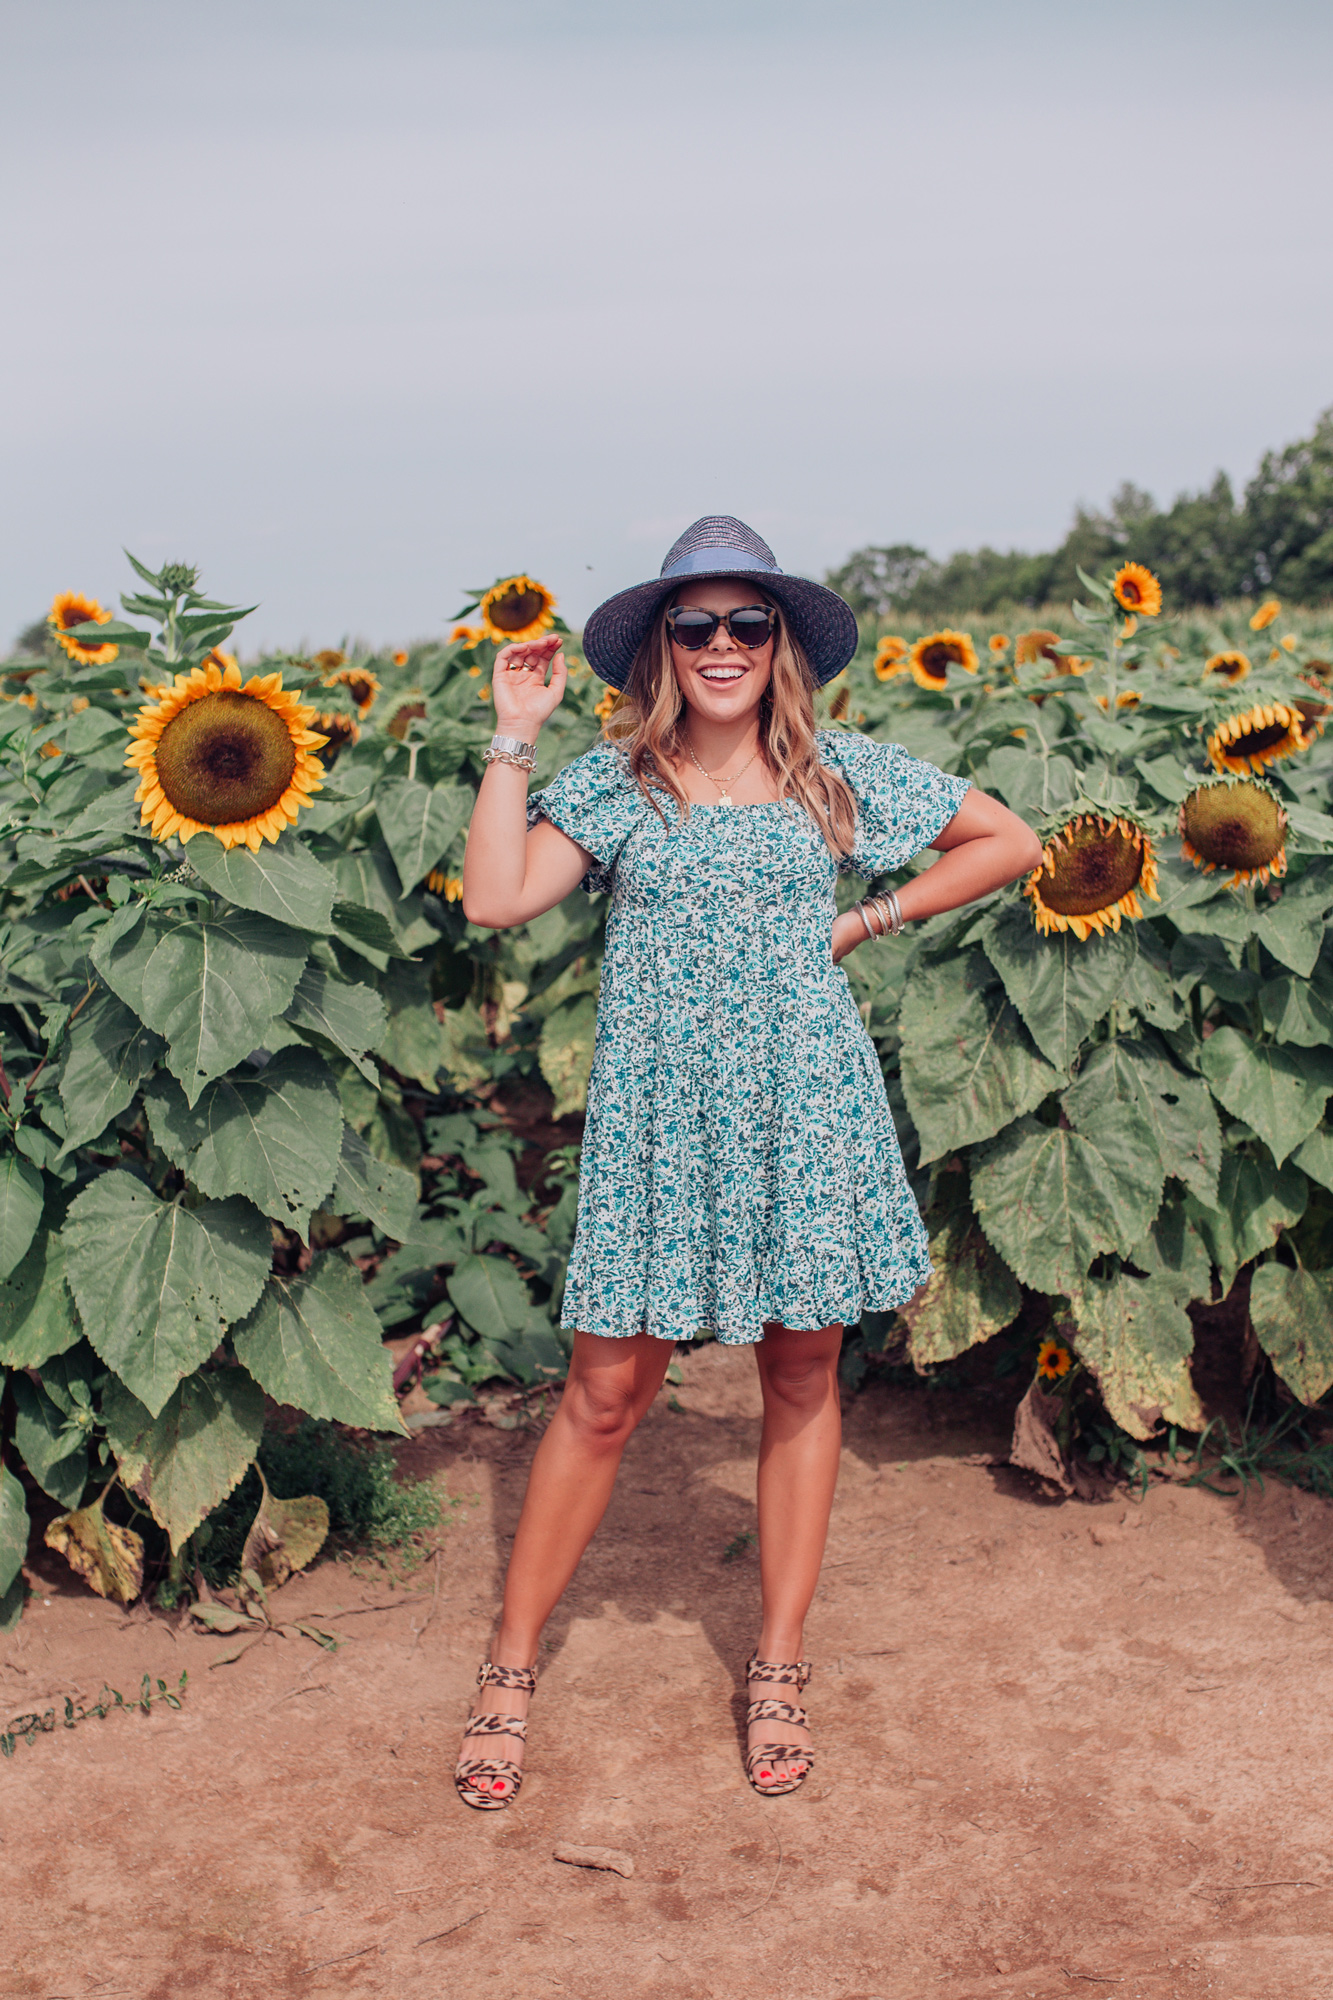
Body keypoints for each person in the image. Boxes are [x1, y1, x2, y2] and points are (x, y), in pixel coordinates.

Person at [455, 516, 1042, 1810]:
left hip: (803, 1115)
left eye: (746, 624)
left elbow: (1006, 841)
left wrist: (868, 916)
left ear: (778, 646)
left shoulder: (836, 777)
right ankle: (508, 1671)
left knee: (799, 1374)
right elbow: (494, 898)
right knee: (603, 1396)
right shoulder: (614, 784)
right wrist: (515, 733)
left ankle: (776, 1665)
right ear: (662, 648)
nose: (721, 646)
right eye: (695, 625)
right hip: (659, 1126)